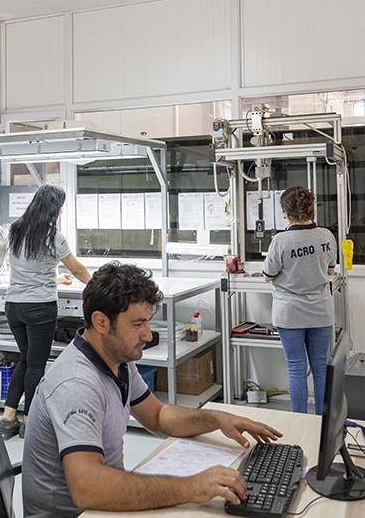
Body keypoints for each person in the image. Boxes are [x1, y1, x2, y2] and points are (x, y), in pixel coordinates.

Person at [22, 261, 282, 517]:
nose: (147, 335)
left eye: (148, 322)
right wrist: (191, 487)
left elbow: (158, 416)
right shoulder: (76, 384)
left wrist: (217, 419)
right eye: (137, 324)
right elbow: (87, 488)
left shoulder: (116, 360)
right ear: (101, 322)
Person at [0, 183, 92, 439]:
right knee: (36, 365)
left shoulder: (16, 229)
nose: (62, 211)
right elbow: (77, 269)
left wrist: (53, 278)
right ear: (55, 207)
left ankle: (7, 418)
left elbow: (28, 268)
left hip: (14, 306)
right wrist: (97, 285)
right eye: (61, 206)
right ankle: (28, 422)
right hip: (39, 307)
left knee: (25, 359)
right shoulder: (53, 236)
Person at [264, 186, 338, 415]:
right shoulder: (326, 235)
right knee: (321, 369)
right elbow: (330, 270)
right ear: (311, 209)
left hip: (290, 313)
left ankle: (300, 422)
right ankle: (323, 423)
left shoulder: (281, 240)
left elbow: (268, 275)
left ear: (286, 212)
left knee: (296, 369)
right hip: (320, 310)